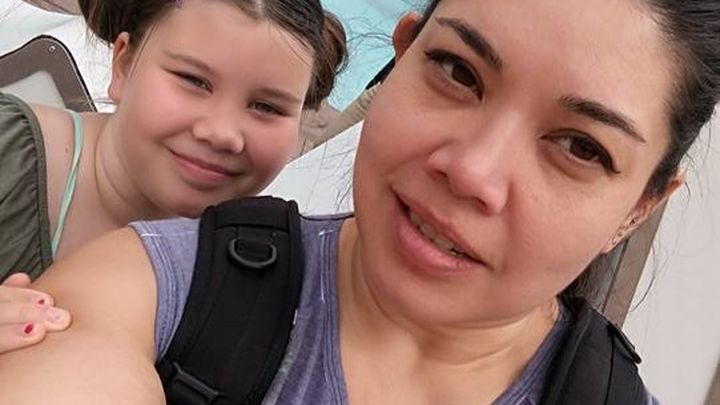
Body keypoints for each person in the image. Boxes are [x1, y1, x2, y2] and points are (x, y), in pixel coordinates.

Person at [0, 0, 718, 402]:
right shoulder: (159, 283)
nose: (471, 172)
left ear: (640, 206)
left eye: (581, 146)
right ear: (400, 57)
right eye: (457, 71)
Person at [0, 0, 346, 352]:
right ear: (123, 64)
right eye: (194, 81)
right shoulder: (7, 151)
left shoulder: (262, 289)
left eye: (266, 107)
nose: (222, 134)